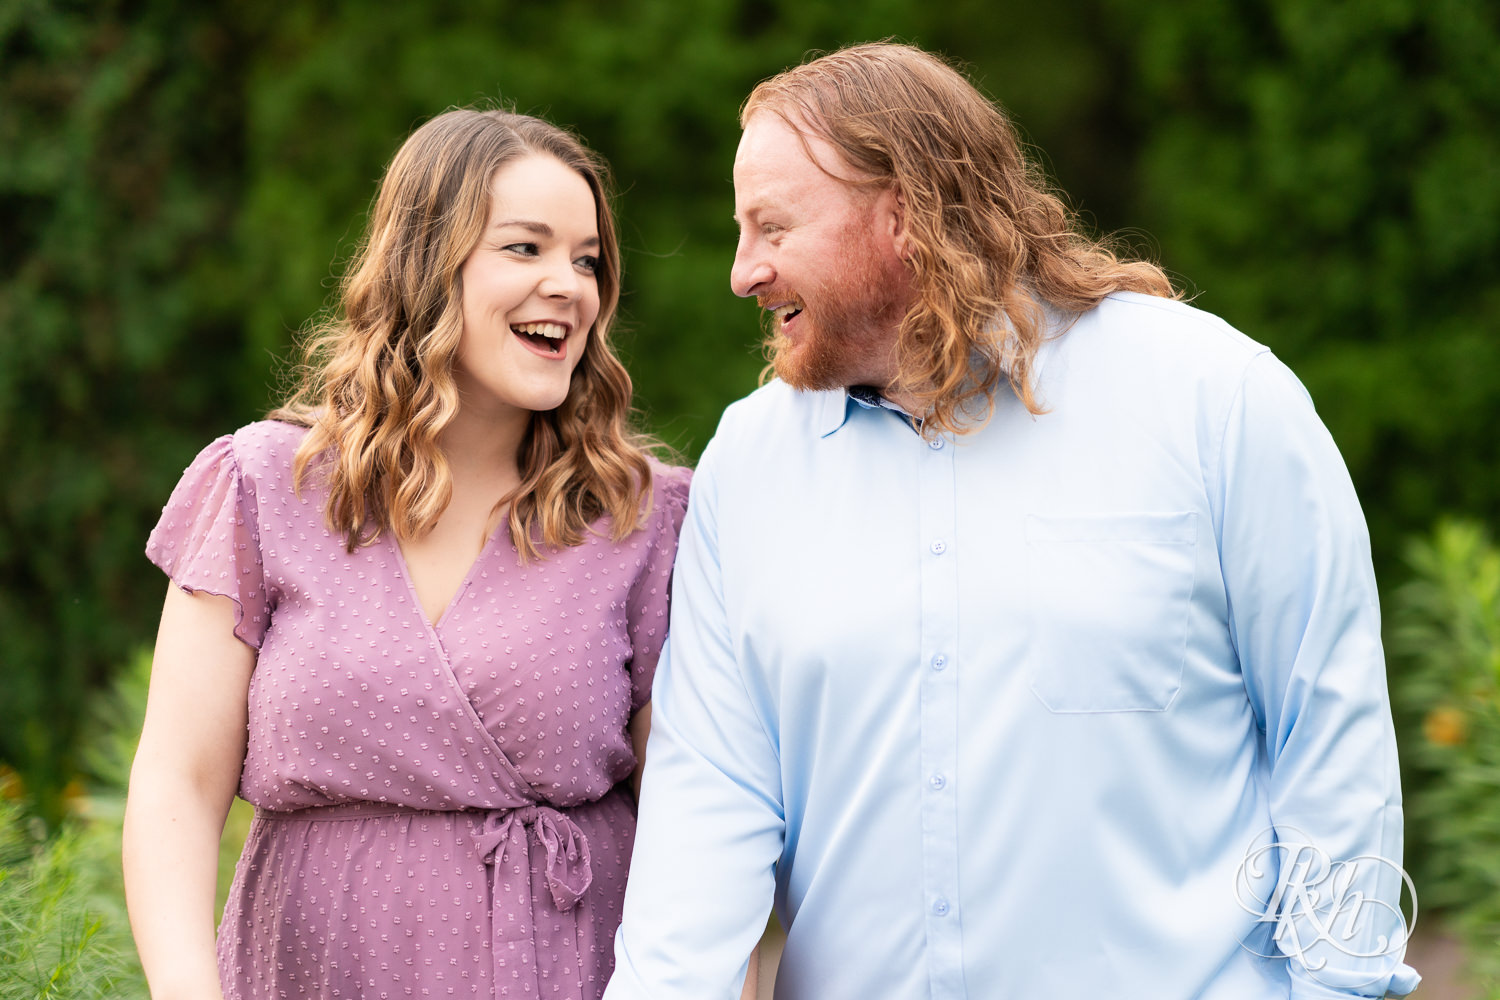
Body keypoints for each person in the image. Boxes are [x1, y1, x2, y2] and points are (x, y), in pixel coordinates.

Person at [606, 43, 1419, 1000]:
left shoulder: (1217, 400)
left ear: (903, 212)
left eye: (772, 226)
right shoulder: (748, 468)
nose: (744, 272)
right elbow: (710, 799)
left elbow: (1331, 740)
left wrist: (1338, 991)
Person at [124, 108, 703, 1000]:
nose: (571, 286)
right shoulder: (263, 485)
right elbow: (178, 784)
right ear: (428, 264)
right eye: (526, 248)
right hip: (308, 973)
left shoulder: (644, 519)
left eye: (587, 260)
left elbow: (695, 818)